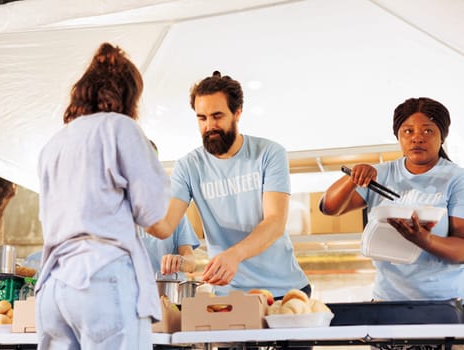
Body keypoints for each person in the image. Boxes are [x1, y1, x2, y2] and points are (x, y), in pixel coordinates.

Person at [35, 43, 171, 350]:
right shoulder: (121, 127)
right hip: (102, 277)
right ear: (128, 96)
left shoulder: (53, 144)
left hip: (54, 287)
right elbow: (153, 213)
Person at [147, 71, 310, 299]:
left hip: (284, 291)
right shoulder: (188, 167)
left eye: (217, 116)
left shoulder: (269, 154)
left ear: (237, 113)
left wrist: (234, 255)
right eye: (202, 118)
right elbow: (164, 227)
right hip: (229, 296)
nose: (209, 126)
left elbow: (275, 222)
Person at [320, 97, 464, 349]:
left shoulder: (457, 178)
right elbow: (329, 208)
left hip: (443, 306)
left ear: (442, 137)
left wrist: (424, 240)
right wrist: (354, 177)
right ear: (398, 136)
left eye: (427, 131)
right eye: (408, 131)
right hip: (387, 303)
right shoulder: (382, 173)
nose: (417, 137)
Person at [137, 140, 200, 278]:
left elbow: (190, 262)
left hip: (169, 294)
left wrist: (180, 261)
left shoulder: (172, 211)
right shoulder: (115, 216)